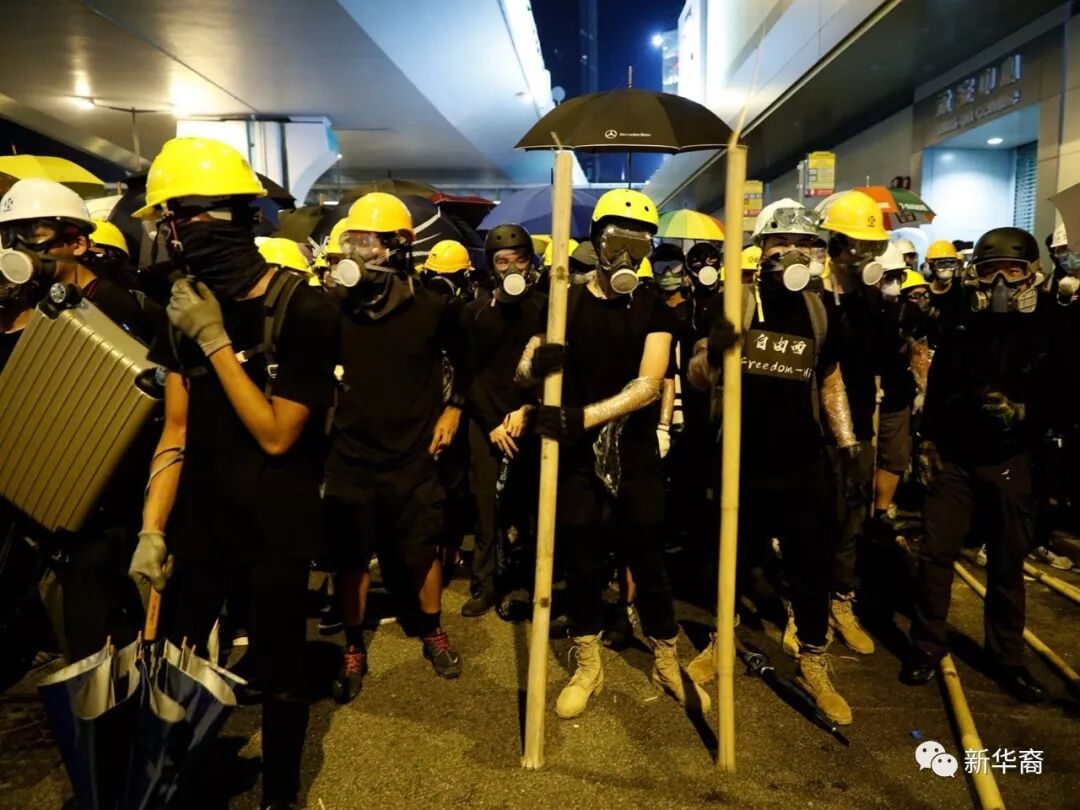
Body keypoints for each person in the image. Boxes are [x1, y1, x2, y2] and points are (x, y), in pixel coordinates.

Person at [127, 136, 337, 810]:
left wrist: (216, 341)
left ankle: (281, 794)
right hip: (202, 524)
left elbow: (277, 434)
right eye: (167, 224)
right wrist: (152, 529)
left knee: (279, 671)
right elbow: (177, 430)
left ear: (222, 217)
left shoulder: (305, 309)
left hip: (276, 525)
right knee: (180, 662)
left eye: (176, 219)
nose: (171, 237)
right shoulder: (183, 309)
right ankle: (177, 781)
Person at [517, 188, 710, 719]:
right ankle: (589, 665)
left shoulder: (655, 310)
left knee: (649, 560)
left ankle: (666, 659)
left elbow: (647, 386)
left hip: (635, 456)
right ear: (596, 242)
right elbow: (524, 368)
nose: (626, 255)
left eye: (639, 245)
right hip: (574, 462)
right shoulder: (564, 301)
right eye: (616, 242)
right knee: (580, 561)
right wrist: (536, 365)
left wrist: (582, 417)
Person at [686, 198, 857, 726]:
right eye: (782, 242)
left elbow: (829, 379)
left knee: (810, 563)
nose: (793, 253)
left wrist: (847, 443)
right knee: (730, 558)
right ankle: (721, 640)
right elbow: (697, 377)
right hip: (741, 458)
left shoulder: (819, 310)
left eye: (804, 244)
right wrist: (714, 351)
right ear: (761, 249)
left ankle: (813, 660)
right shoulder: (734, 301)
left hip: (801, 459)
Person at [901, 227, 1054, 703]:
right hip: (955, 458)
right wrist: (928, 443)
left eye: (1012, 271)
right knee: (935, 554)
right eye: (990, 273)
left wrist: (1027, 413)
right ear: (976, 277)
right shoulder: (961, 321)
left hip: (1012, 459)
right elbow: (940, 385)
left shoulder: (1055, 324)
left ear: (1032, 274)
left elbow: (1070, 392)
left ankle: (1007, 658)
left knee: (1007, 562)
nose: (1001, 283)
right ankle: (926, 647)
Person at [326, 192, 467, 704]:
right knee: (350, 556)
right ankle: (353, 644)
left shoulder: (432, 308)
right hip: (351, 454)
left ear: (399, 248)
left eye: (368, 243)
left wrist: (453, 410)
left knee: (422, 546)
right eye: (352, 242)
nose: (358, 254)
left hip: (414, 453)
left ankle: (431, 628)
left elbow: (465, 361)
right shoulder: (334, 310)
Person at [459, 224, 545, 617]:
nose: (512, 268)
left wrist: (529, 409)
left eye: (520, 259)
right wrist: (492, 422)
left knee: (532, 502)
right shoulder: (474, 313)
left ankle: (531, 578)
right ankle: (486, 582)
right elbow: (468, 375)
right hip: (486, 421)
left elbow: (553, 367)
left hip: (530, 417)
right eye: (503, 261)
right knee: (485, 506)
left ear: (531, 263)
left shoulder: (544, 309)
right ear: (491, 267)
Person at [817, 190, 889, 657]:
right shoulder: (811, 296)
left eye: (872, 248)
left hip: (858, 422)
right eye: (858, 247)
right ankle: (803, 606)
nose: (865, 257)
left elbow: (878, 363)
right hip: (812, 425)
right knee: (811, 517)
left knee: (850, 516)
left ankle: (841, 600)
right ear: (835, 245)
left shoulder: (872, 301)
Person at [871, 257, 931, 535]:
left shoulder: (909, 312)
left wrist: (922, 387)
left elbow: (919, 350)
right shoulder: (856, 308)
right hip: (860, 397)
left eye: (897, 276)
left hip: (896, 395)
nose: (892, 282)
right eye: (887, 276)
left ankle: (881, 513)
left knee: (893, 456)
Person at [924, 239, 966, 344]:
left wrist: (932, 312)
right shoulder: (924, 292)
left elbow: (959, 322)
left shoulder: (960, 290)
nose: (947, 269)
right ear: (931, 265)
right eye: (941, 264)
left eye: (951, 263)